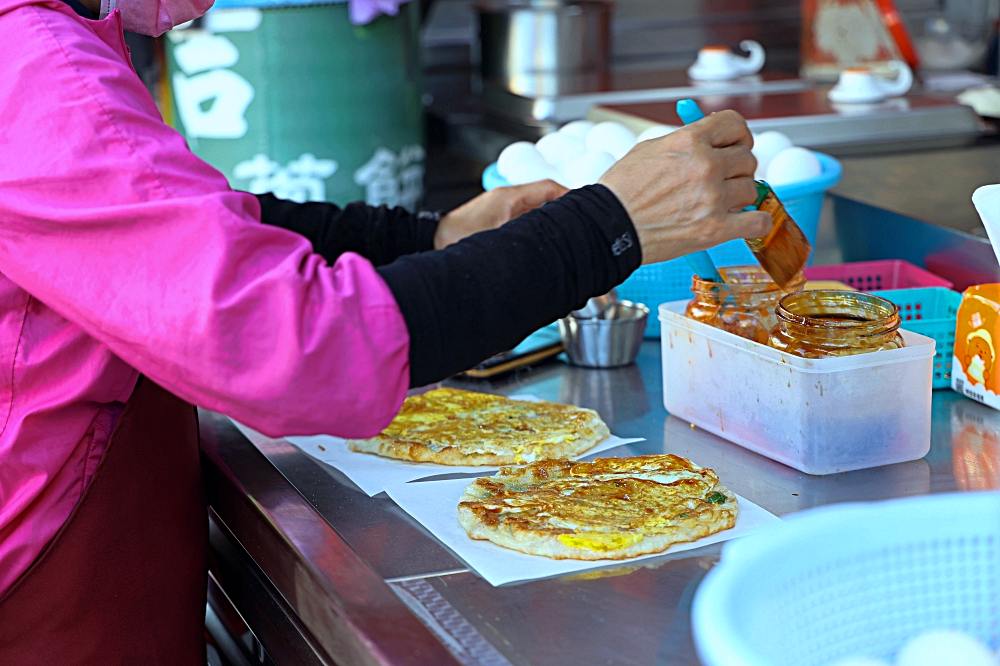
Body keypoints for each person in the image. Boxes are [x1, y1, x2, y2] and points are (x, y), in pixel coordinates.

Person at [0, 0, 769, 659]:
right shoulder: (31, 63)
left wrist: (426, 239)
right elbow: (290, 344)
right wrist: (609, 224)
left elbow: (174, 227)